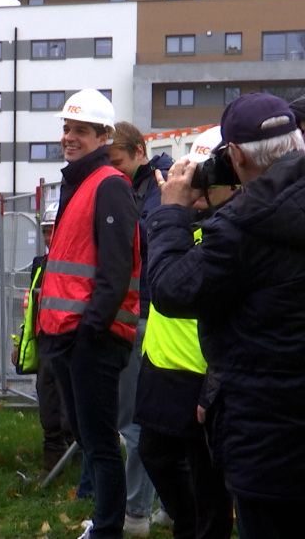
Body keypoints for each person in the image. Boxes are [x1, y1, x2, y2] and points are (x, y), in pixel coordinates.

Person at [147, 92, 305, 539]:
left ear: (233, 155)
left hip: (270, 439)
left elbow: (171, 289)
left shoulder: (245, 225)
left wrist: (173, 213)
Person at [37, 88, 141, 539]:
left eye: (80, 130)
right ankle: (103, 521)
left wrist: (89, 334)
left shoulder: (109, 186)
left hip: (89, 338)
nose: (69, 137)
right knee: (89, 438)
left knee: (100, 443)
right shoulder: (80, 183)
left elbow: (115, 272)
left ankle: (108, 528)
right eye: (66, 128)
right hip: (67, 334)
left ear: (103, 136)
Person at [134, 126, 234, 539]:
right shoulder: (178, 220)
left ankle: (199, 529)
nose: (196, 187)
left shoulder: (228, 230)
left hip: (203, 373)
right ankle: (186, 522)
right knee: (153, 453)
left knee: (209, 481)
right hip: (161, 362)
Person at [108, 121, 173, 537]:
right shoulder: (142, 186)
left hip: (148, 313)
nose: (113, 170)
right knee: (157, 420)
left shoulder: (160, 190)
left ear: (138, 151)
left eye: (117, 162)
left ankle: (135, 515)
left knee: (135, 420)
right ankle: (169, 505)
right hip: (149, 312)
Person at [12, 202, 74, 471]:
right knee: (48, 402)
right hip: (45, 342)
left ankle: (74, 466)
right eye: (46, 232)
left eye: (53, 231)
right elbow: (32, 311)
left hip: (70, 344)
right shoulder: (40, 265)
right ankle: (52, 466)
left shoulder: (74, 263)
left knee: (69, 409)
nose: (49, 238)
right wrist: (21, 343)